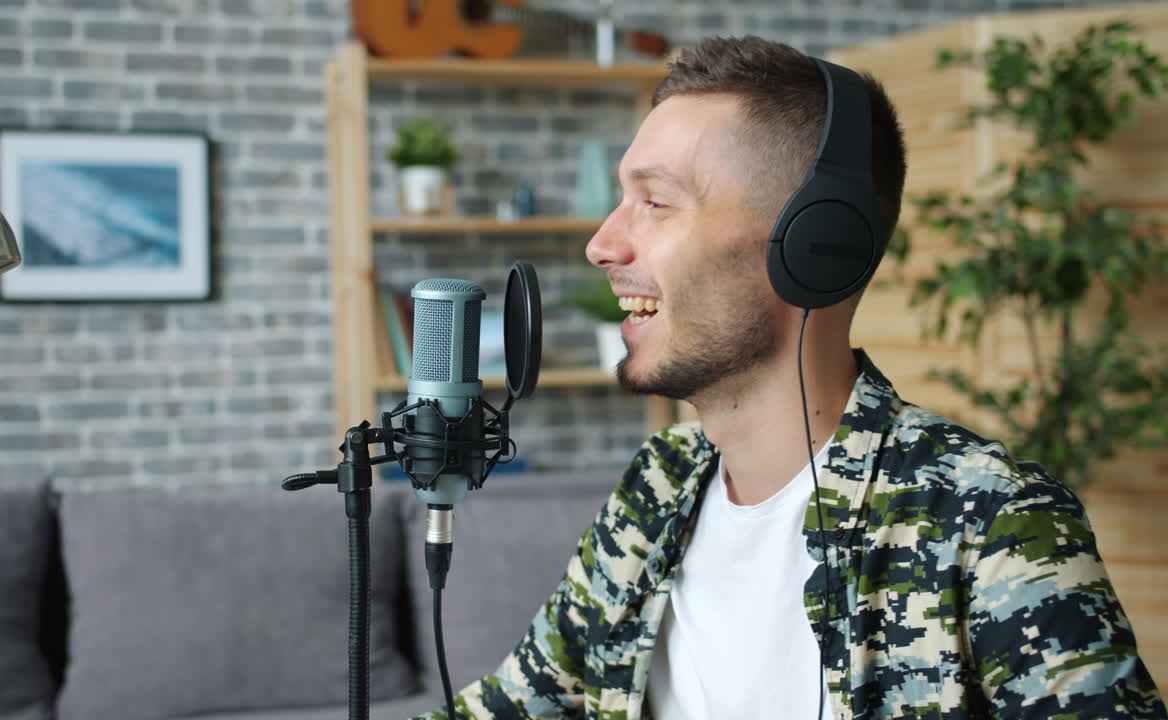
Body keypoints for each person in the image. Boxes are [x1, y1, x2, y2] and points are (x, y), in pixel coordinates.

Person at [414, 35, 1165, 719]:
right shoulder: (657, 487)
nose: (601, 244)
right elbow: (509, 708)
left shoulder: (989, 520)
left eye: (654, 202)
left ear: (813, 242)